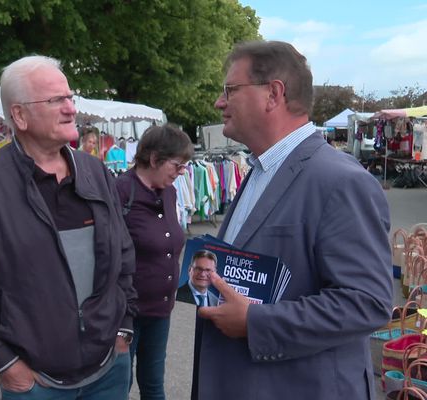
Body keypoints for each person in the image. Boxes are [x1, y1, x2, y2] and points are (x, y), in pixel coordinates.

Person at [196, 40, 393, 400]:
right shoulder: (259, 170)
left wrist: (256, 323)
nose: (219, 102)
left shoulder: (340, 181)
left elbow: (367, 301)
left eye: (230, 90)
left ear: (273, 94)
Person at [0, 55, 137, 400]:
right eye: (56, 101)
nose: (70, 109)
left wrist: (124, 325)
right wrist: (4, 362)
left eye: (70, 98)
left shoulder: (95, 171)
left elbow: (123, 252)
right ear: (19, 115)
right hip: (36, 381)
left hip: (109, 368)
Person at [115, 124, 193, 400]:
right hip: (126, 314)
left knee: (153, 385)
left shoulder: (169, 192)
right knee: (118, 386)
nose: (182, 171)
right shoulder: (121, 191)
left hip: (160, 310)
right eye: (177, 164)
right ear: (154, 158)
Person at [175, 250, 219, 400]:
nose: (203, 273)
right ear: (189, 270)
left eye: (208, 270)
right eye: (198, 268)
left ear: (215, 273)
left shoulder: (217, 301)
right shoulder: (176, 296)